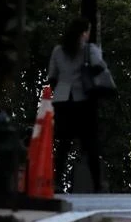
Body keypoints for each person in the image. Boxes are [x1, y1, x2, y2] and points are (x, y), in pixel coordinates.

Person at [46, 17, 107, 192]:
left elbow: (52, 75)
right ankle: (97, 184)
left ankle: (57, 181)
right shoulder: (89, 49)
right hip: (83, 100)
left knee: (63, 144)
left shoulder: (58, 50)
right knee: (90, 143)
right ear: (83, 33)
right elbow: (100, 66)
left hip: (63, 100)